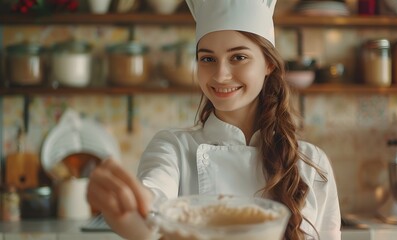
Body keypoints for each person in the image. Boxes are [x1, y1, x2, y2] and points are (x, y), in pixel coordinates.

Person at [87, 0, 341, 239]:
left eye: (238, 57)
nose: (220, 75)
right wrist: (134, 208)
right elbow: (154, 200)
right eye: (207, 59)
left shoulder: (311, 163)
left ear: (268, 64)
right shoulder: (174, 148)